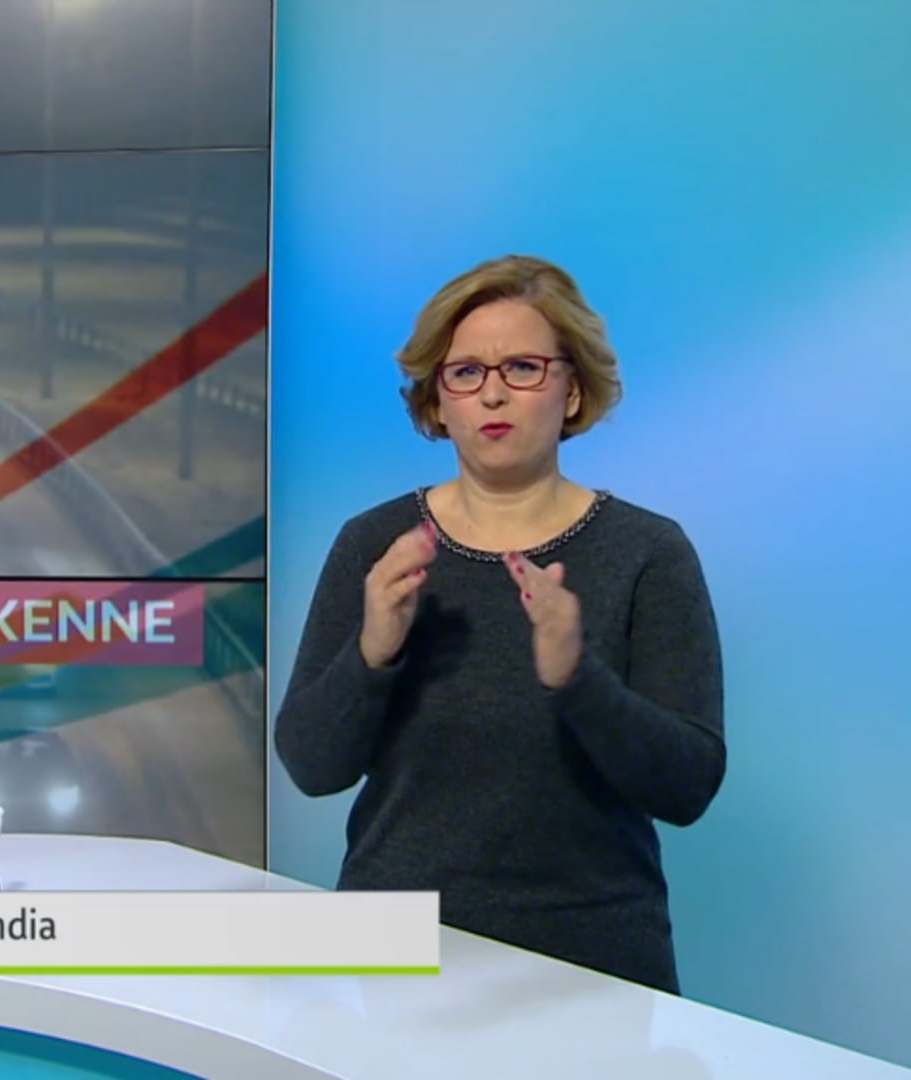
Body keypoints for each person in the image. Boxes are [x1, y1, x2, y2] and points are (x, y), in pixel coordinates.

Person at [272, 254, 726, 996]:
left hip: (593, 961)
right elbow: (310, 765)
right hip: (399, 959)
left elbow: (688, 786)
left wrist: (577, 679)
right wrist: (372, 653)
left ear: (572, 388)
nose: (492, 393)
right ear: (436, 400)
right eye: (465, 373)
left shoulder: (649, 552)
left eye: (522, 368)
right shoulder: (374, 544)